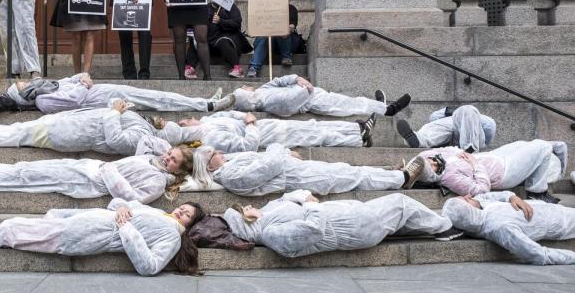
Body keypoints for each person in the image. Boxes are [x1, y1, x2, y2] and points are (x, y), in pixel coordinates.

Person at [0, 200, 204, 276]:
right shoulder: (158, 213)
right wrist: (124, 207)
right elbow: (118, 205)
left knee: (9, 230)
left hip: (82, 235)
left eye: (188, 215)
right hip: (80, 221)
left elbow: (150, 266)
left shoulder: (171, 234)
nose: (182, 211)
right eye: (184, 206)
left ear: (190, 226)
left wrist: (126, 227)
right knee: (12, 225)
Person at [223, 190, 461, 258]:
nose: (248, 206)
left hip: (350, 216)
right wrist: (309, 203)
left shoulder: (268, 213)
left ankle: (439, 224)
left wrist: (302, 198)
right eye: (244, 209)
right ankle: (445, 228)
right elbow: (314, 229)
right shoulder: (272, 235)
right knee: (401, 203)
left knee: (400, 217)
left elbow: (289, 196)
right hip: (353, 229)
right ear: (248, 220)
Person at [0, 145, 195, 204]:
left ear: (178, 170)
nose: (167, 157)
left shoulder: (159, 181)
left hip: (90, 180)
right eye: (170, 153)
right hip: (87, 167)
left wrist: (110, 170)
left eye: (173, 160)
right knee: (25, 167)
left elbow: (132, 199)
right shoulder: (153, 159)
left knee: (26, 176)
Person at [0, 99, 188, 156]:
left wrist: (114, 111)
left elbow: (116, 140)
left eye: (166, 125)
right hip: (73, 121)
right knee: (18, 126)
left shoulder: (142, 137)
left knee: (18, 135)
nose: (161, 120)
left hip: (72, 134)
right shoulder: (141, 121)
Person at [192, 144, 425, 196]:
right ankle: (402, 178)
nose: (221, 152)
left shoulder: (227, 166)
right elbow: (268, 165)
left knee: (348, 170)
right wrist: (280, 149)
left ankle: (391, 176)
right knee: (351, 176)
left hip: (298, 171)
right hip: (298, 177)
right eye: (215, 153)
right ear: (209, 165)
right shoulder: (230, 175)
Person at [414, 139, 568, 203]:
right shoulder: (449, 178)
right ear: (432, 176)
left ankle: (554, 172)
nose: (434, 163)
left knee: (556, 145)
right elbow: (482, 190)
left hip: (495, 156)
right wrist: (475, 164)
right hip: (504, 172)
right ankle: (537, 192)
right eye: (432, 169)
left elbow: (449, 149)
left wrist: (457, 153)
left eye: (431, 162)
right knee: (542, 147)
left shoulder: (428, 157)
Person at [0, 72, 232, 114]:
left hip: (102, 91)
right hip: (103, 101)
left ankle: (202, 102)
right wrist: (82, 84)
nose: (24, 81)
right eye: (20, 85)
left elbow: (74, 77)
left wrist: (82, 77)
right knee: (155, 99)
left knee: (153, 97)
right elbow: (74, 99)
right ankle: (206, 105)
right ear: (23, 95)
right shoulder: (43, 100)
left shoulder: (47, 85)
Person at [442, 191, 575, 265]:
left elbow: (489, 195)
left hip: (552, 208)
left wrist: (512, 197)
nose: (468, 195)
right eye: (465, 200)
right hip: (562, 222)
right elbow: (537, 254)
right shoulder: (500, 229)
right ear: (468, 211)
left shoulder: (482, 205)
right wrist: (571, 257)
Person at [170, 110, 377, 152]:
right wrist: (250, 125)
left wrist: (244, 117)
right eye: (185, 123)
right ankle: (359, 139)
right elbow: (246, 146)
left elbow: (231, 113)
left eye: (187, 118)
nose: (190, 120)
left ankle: (356, 128)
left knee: (312, 125)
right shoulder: (210, 138)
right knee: (315, 135)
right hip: (263, 135)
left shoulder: (209, 119)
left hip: (261, 124)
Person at [233, 76, 410, 118]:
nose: (245, 85)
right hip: (310, 99)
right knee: (347, 105)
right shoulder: (267, 102)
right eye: (243, 89)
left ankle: (378, 106)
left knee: (347, 101)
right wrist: (305, 90)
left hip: (311, 92)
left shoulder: (262, 90)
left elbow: (278, 81)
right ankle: (387, 110)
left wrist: (296, 78)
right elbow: (288, 105)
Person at [246, 0, 299, 78]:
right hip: (268, 42)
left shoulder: (290, 8)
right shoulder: (262, 8)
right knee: (263, 35)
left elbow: (291, 27)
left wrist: (280, 27)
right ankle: (254, 68)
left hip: (284, 42)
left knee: (282, 30)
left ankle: (286, 57)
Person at [185, 1, 252, 79]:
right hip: (209, 41)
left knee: (223, 41)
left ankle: (237, 68)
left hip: (226, 39)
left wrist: (221, 21)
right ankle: (190, 67)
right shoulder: (206, 7)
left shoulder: (230, 6)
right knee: (197, 40)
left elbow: (237, 23)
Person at [397, 105, 496, 151]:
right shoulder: (450, 119)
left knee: (468, 111)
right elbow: (433, 117)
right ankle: (417, 139)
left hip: (476, 139)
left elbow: (490, 126)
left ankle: (470, 148)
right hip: (451, 137)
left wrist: (464, 119)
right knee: (446, 123)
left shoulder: (480, 118)